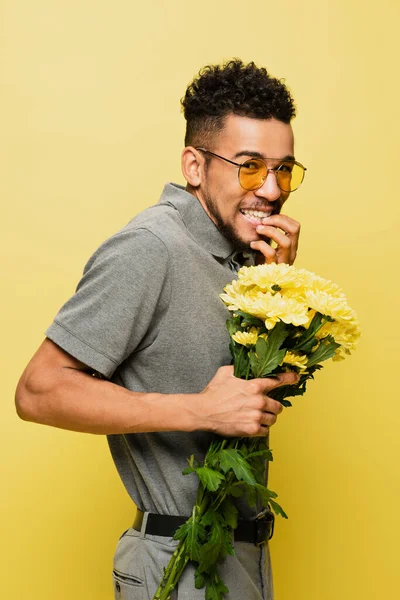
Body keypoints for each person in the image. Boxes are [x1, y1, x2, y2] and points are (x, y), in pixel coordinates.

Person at [15, 59, 306, 600]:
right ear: (194, 166)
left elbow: (253, 401)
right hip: (181, 563)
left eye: (284, 169)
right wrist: (199, 409)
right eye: (249, 166)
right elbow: (37, 391)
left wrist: (278, 291)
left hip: (245, 556)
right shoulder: (152, 248)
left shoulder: (246, 258)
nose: (271, 188)